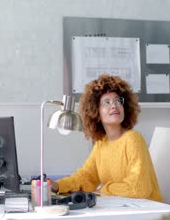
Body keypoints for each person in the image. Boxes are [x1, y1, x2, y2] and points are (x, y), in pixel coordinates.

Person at [51, 74, 162, 202]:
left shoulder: (133, 139)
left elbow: (139, 189)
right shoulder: (101, 144)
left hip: (149, 212)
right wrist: (57, 185)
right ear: (96, 111)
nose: (114, 105)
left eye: (118, 101)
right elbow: (86, 177)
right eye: (107, 102)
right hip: (123, 208)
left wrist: (104, 189)